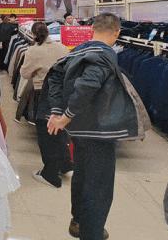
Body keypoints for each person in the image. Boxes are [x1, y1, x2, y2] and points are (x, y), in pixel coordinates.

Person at [45, 13, 142, 240]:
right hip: (99, 131)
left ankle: (79, 221)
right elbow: (88, 85)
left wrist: (58, 111)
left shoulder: (78, 51)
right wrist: (65, 116)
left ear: (92, 29)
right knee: (99, 186)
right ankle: (92, 232)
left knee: (82, 175)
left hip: (79, 130)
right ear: (117, 32)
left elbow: (55, 76)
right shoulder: (105, 54)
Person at [18, 22, 71, 188]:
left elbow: (25, 73)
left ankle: (50, 174)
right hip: (62, 93)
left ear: (33, 34)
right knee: (60, 129)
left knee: (46, 133)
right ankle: (66, 164)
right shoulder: (62, 48)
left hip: (44, 93)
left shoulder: (33, 51)